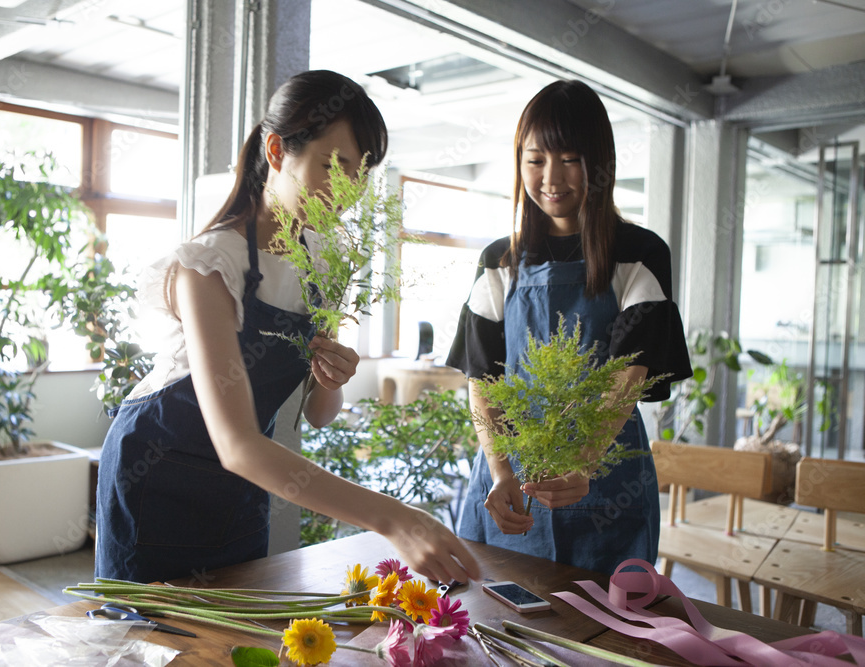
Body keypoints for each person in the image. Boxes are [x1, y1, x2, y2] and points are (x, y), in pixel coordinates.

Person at [95, 70, 479, 586]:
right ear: (277, 152)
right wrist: (395, 517)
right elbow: (235, 443)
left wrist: (330, 376)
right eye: (333, 164)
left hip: (244, 484)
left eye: (361, 174)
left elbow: (319, 414)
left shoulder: (324, 262)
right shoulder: (208, 265)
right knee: (152, 645)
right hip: (159, 476)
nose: (347, 189)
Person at [446, 80, 692, 575]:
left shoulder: (639, 255)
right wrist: (500, 469)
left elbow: (629, 377)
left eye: (571, 159)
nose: (551, 177)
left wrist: (582, 461)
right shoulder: (499, 260)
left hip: (607, 477)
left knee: (604, 629)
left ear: (600, 164)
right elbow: (482, 379)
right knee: (501, 616)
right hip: (510, 478)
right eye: (536, 160)